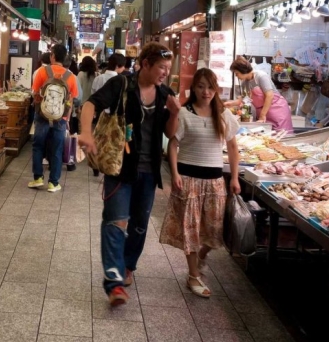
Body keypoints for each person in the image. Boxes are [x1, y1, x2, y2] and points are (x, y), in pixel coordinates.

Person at [79, 42, 181, 307]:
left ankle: (128, 266)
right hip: (120, 168)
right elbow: (90, 105)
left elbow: (170, 135)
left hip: (149, 173)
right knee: (115, 221)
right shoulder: (122, 85)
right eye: (161, 67)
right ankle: (114, 282)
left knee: (139, 225)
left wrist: (175, 113)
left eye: (168, 69)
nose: (165, 74)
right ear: (145, 64)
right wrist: (87, 133)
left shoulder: (165, 94)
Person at [160, 69, 241, 297]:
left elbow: (233, 148)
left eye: (210, 87)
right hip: (188, 181)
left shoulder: (223, 114)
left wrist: (234, 177)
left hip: (215, 181)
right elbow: (173, 145)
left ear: (216, 89)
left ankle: (202, 256)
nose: (206, 92)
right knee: (191, 231)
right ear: (194, 88)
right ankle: (193, 276)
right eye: (201, 87)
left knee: (215, 233)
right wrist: (174, 173)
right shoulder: (184, 113)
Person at [30, 44, 79, 192]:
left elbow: (35, 93)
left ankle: (38, 178)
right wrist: (67, 118)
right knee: (57, 149)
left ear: (52, 56)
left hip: (42, 115)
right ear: (65, 59)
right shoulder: (70, 76)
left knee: (38, 146)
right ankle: (54, 182)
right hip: (61, 118)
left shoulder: (42, 72)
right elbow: (72, 100)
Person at [227, 56, 293, 132]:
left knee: (281, 136)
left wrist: (262, 115)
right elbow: (246, 99)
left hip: (277, 111)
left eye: (236, 73)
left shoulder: (261, 76)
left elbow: (269, 96)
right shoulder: (245, 83)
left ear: (243, 70)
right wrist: (231, 104)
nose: (236, 76)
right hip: (263, 113)